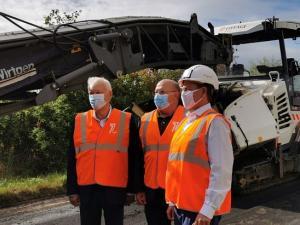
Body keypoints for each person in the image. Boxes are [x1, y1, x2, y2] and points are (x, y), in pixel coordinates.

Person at [67, 77, 144, 225]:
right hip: (87, 189)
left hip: (115, 189)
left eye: (98, 92)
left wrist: (132, 189)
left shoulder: (126, 120)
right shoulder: (79, 120)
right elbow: (72, 158)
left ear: (109, 94)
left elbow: (135, 158)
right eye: (91, 92)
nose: (93, 96)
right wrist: (72, 190)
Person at [165, 65, 234, 225]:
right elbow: (179, 166)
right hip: (182, 207)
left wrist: (208, 209)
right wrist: (173, 201)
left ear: (204, 91)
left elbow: (221, 171)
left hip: (199, 211)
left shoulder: (215, 123)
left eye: (188, 89)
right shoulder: (186, 121)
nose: (183, 93)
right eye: (182, 89)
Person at [136, 79, 185, 225]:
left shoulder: (188, 118)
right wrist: (139, 189)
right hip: (152, 191)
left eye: (162, 92)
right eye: (156, 92)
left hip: (179, 189)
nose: (158, 95)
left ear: (176, 95)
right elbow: (139, 158)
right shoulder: (145, 119)